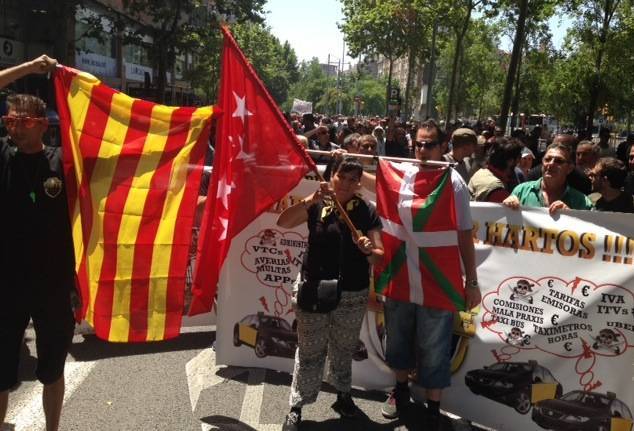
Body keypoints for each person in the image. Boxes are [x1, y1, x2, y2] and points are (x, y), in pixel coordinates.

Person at [381, 120, 480, 430]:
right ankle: (399, 392)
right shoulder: (403, 173)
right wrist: (348, 164)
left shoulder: (454, 183)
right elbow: (375, 183)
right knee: (398, 340)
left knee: (433, 346)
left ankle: (434, 408)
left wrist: (472, 282)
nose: (422, 150)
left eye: (429, 145)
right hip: (401, 278)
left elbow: (465, 236)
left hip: (437, 282)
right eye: (419, 144)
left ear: (443, 147)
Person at [277, 156, 384, 431]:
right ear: (331, 175)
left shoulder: (365, 210)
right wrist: (311, 199)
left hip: (352, 293)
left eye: (353, 179)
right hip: (313, 289)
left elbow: (378, 256)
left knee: (343, 349)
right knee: (310, 351)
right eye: (342, 176)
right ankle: (297, 405)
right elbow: (284, 222)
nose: (347, 184)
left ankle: (343, 396)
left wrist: (367, 249)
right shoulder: (316, 204)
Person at [1, 55, 76, 431]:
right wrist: (29, 67)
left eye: (22, 121)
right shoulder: (2, 156)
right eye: (9, 121)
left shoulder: (62, 163)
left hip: (53, 286)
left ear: (43, 125)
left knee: (51, 371)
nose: (14, 128)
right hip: (6, 285)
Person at [503, 142, 592, 214]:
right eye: (547, 159)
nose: (551, 164)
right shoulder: (521, 192)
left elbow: (592, 232)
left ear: (569, 168)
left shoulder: (582, 202)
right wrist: (506, 206)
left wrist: (570, 216)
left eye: (558, 161)